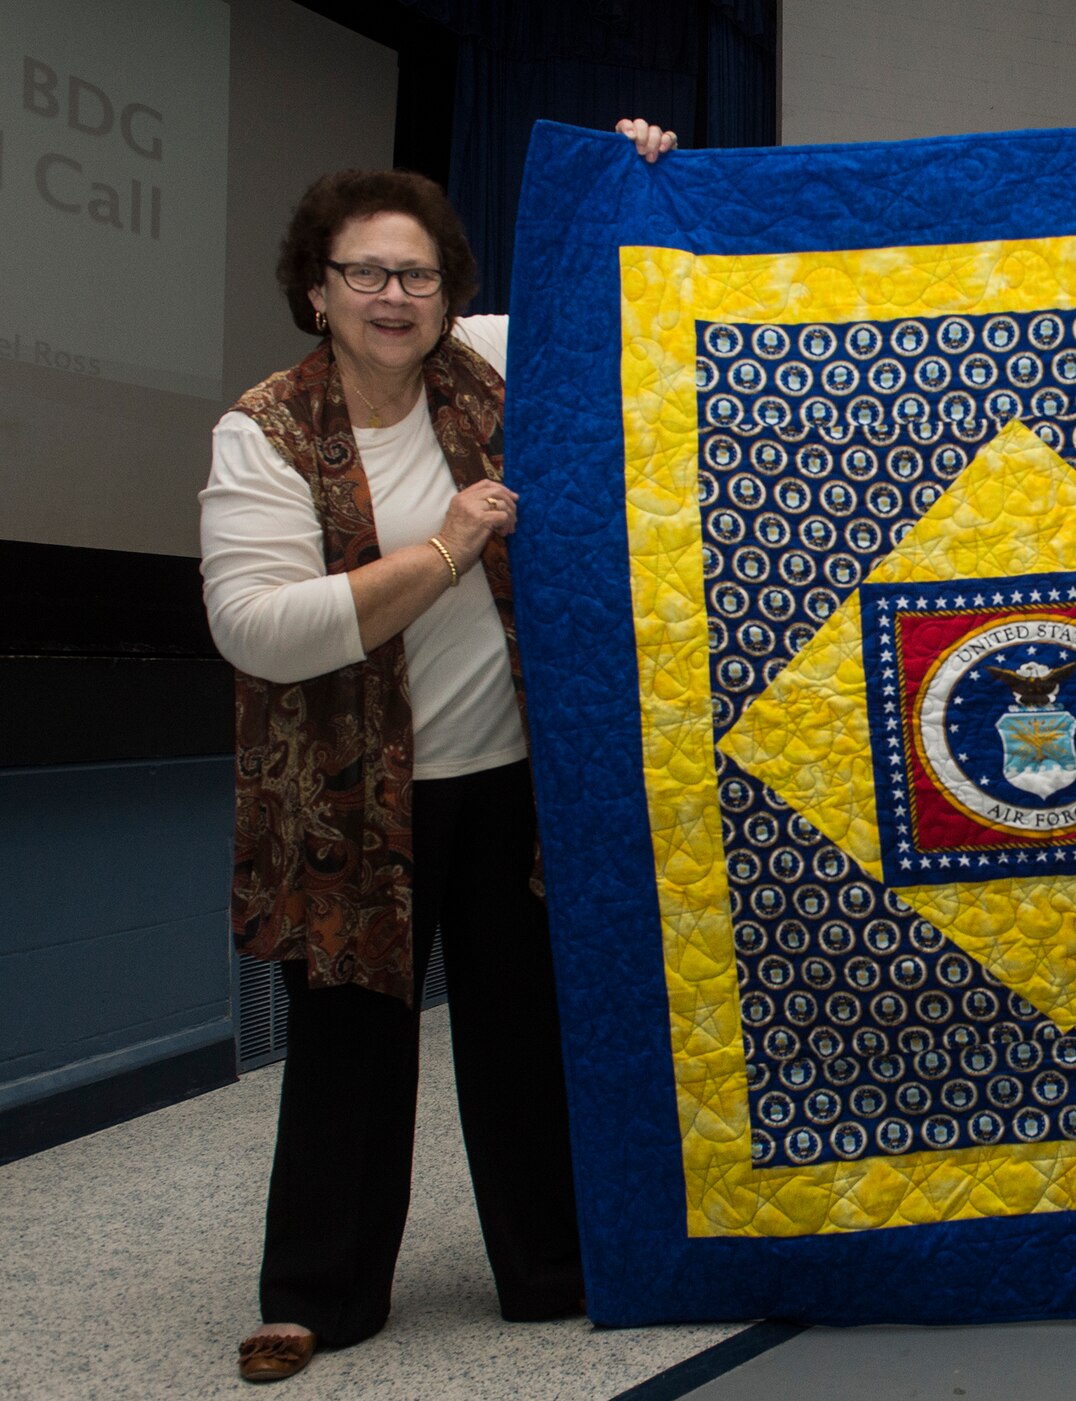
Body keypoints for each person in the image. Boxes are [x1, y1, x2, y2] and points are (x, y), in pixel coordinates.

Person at [202, 119, 676, 1384]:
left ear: (447, 291)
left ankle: (555, 1270)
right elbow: (260, 630)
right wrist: (446, 550)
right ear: (317, 289)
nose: (393, 295)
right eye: (364, 271)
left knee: (525, 1036)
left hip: (511, 781)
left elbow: (615, 287)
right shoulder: (265, 431)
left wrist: (631, 168)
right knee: (349, 1050)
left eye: (416, 273)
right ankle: (316, 1294)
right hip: (353, 803)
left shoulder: (494, 365)